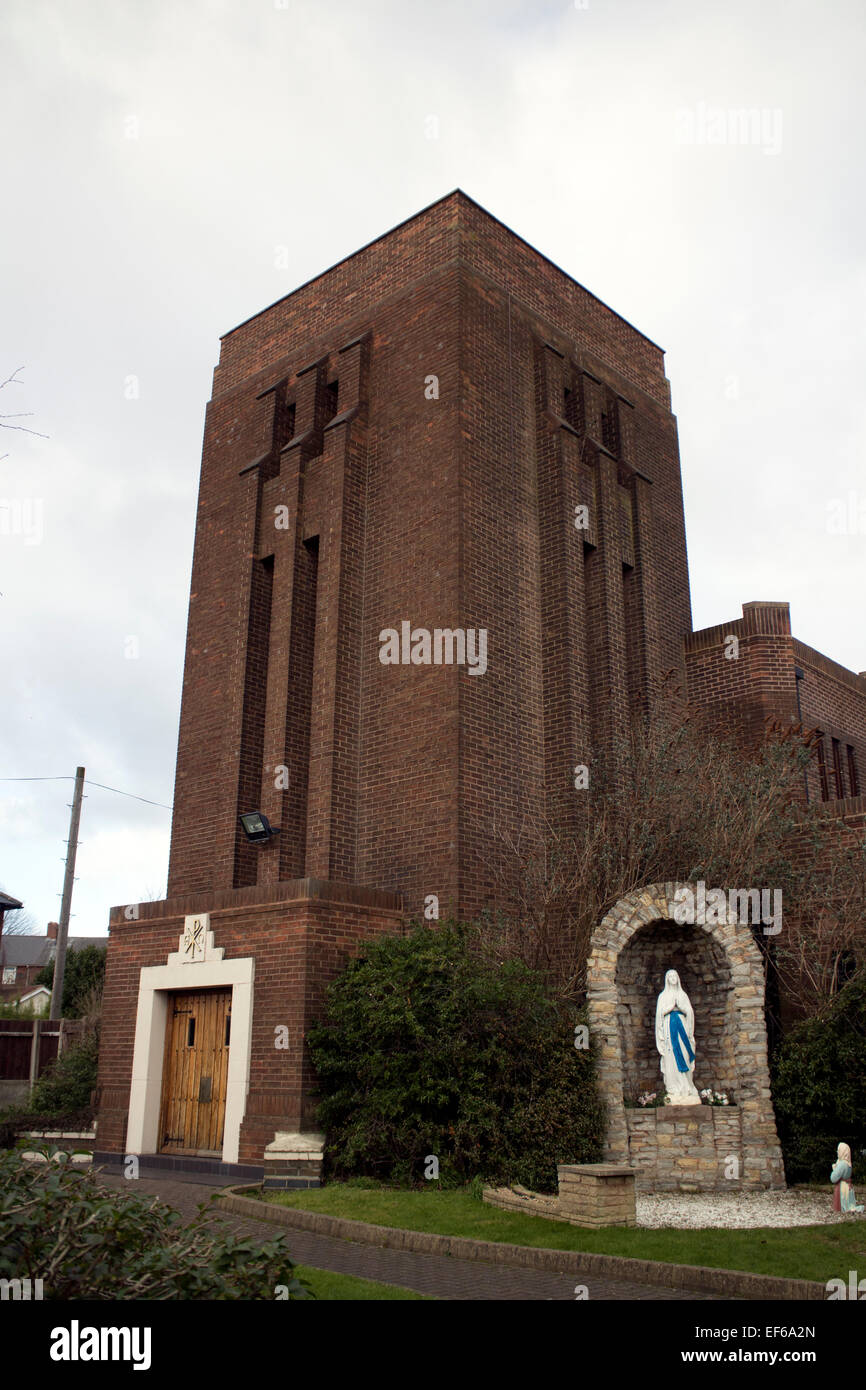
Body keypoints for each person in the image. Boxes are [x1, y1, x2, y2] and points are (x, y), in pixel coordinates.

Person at [655, 968, 701, 1105]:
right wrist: (669, 1008)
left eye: (675, 975)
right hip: (669, 1029)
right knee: (671, 1058)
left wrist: (681, 1007)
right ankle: (674, 1088)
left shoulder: (683, 995)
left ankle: (687, 1087)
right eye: (670, 976)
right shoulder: (663, 996)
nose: (673, 978)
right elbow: (659, 1015)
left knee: (685, 1055)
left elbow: (690, 1012)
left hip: (682, 1028)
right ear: (667, 979)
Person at [830, 1142, 864, 1213]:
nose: (837, 1152)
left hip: (842, 1188)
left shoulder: (842, 1164)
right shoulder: (849, 1164)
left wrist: (834, 1169)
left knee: (845, 1206)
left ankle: (841, 1209)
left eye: (838, 1150)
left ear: (842, 1152)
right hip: (848, 1186)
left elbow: (833, 1178)